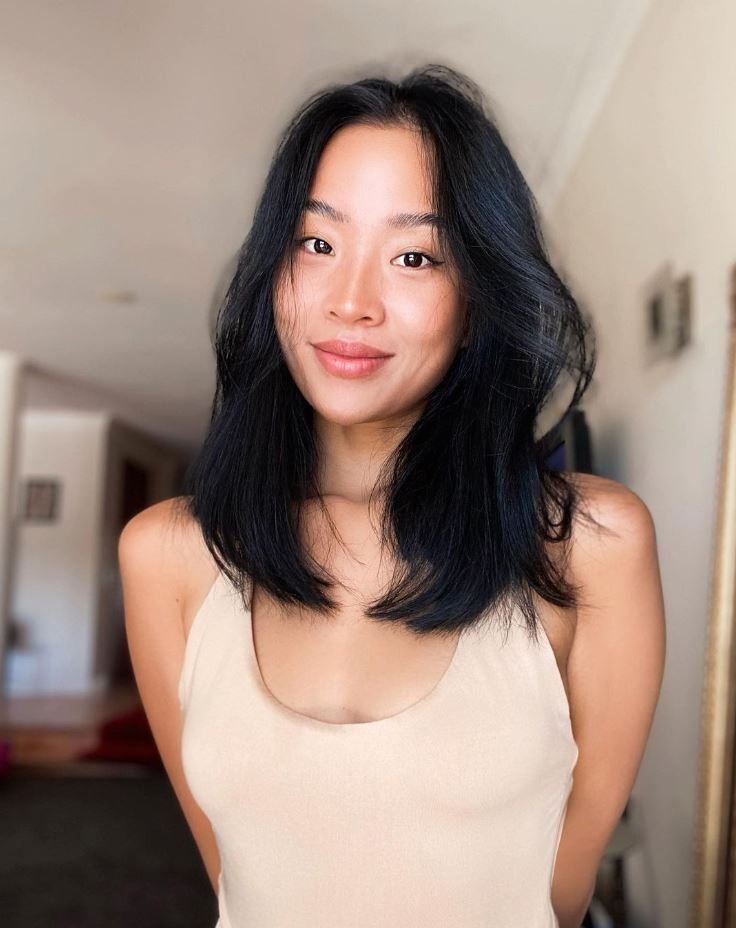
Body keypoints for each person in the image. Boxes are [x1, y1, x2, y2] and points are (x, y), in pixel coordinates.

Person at [118, 63, 666, 928]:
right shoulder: (168, 554)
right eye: (316, 244)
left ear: (478, 295)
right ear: (272, 272)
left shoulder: (588, 543)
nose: (350, 302)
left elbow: (560, 893)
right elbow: (234, 879)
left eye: (414, 257)